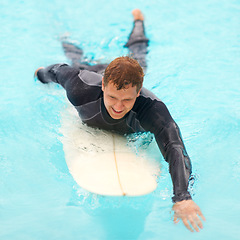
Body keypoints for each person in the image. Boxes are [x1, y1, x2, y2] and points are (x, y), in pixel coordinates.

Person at [34, 9, 205, 232]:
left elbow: (175, 147)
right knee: (75, 56)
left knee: (139, 55)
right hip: (92, 70)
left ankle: (138, 21)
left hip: (130, 74)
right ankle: (64, 33)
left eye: (127, 100)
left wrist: (182, 197)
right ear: (103, 86)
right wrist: (40, 75)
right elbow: (57, 71)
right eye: (112, 97)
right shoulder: (81, 88)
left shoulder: (151, 109)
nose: (118, 106)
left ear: (138, 93)